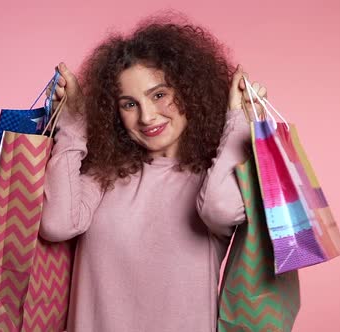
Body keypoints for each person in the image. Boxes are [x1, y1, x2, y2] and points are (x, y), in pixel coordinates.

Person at [39, 15, 269, 332]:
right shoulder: (106, 174)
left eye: (159, 95)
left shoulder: (213, 175)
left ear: (190, 90)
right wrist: (74, 125)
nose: (147, 116)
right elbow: (56, 224)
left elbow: (221, 208)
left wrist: (238, 122)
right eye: (129, 104)